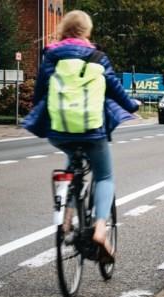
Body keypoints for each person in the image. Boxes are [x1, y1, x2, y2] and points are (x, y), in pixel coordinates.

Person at [24, 10, 139, 263]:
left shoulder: (51, 56)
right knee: (105, 175)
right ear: (87, 31)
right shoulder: (97, 57)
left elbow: (40, 92)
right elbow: (115, 90)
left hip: (60, 130)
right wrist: (131, 105)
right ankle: (100, 229)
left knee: (71, 159)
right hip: (91, 129)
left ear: (64, 29)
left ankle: (66, 219)